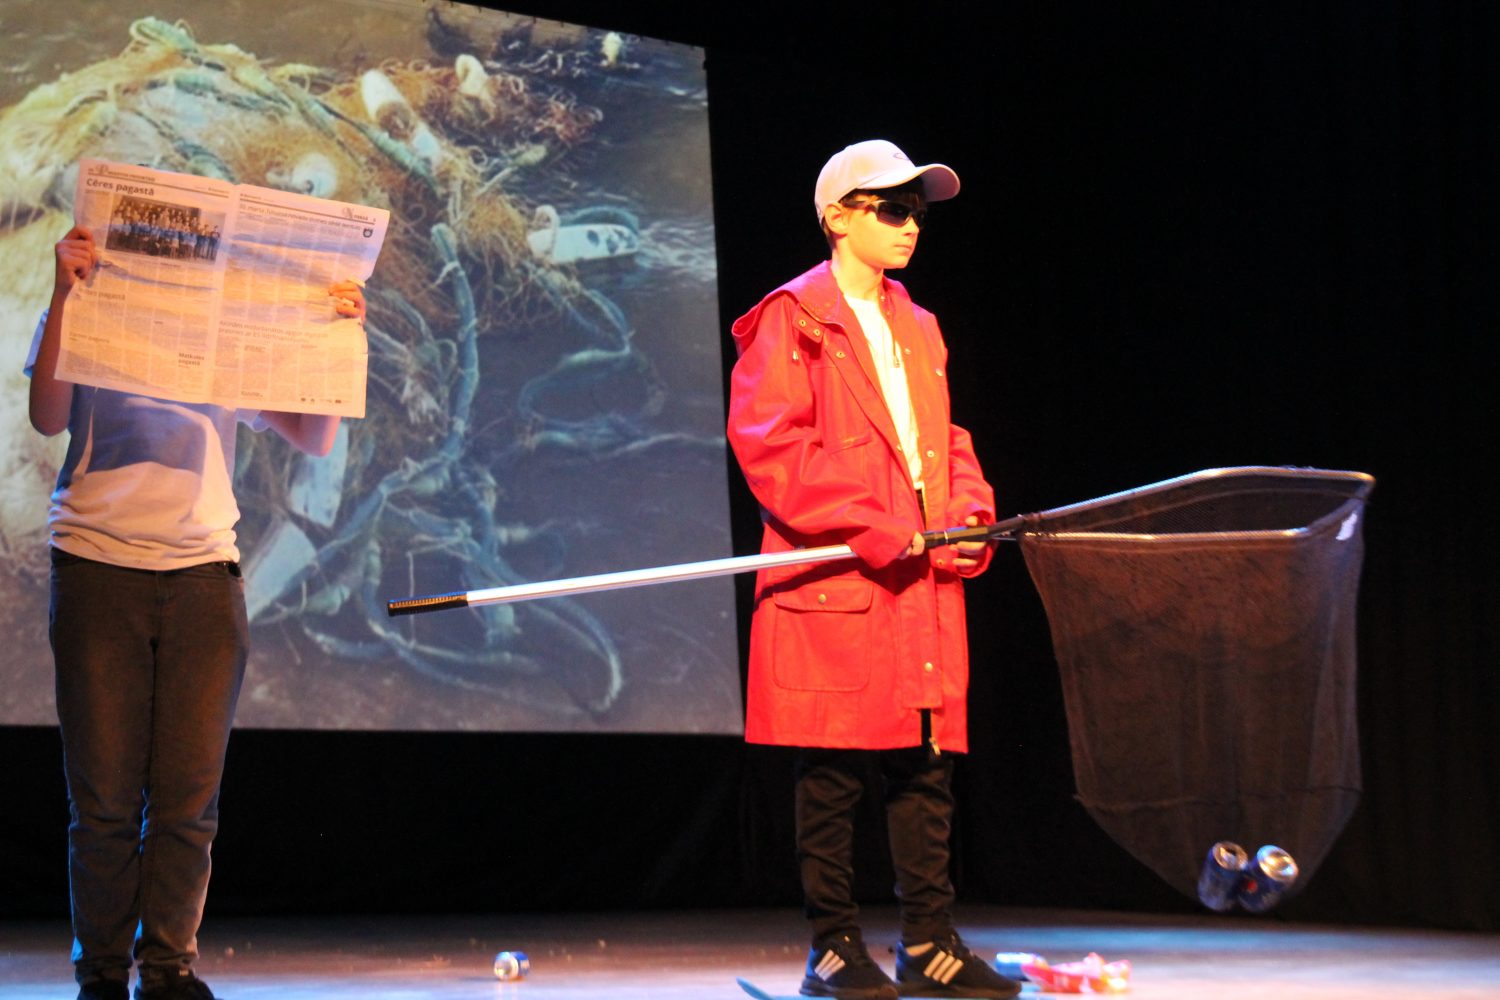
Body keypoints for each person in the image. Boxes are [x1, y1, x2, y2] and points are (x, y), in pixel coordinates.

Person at [27, 225, 365, 1000]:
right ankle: (102, 973)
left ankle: (169, 968)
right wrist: (64, 293)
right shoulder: (89, 303)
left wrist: (336, 338)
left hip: (203, 573)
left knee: (188, 799)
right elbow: (48, 416)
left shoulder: (224, 324)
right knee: (104, 800)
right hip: (97, 563)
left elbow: (313, 435)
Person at [726, 140, 1020, 1000]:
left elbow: (946, 441)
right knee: (830, 770)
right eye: (892, 208)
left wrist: (970, 516)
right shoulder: (792, 317)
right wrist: (883, 525)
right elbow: (773, 448)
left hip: (918, 584)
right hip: (838, 579)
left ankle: (929, 944)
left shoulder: (919, 326)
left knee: (924, 766)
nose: (910, 225)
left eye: (916, 211)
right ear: (838, 217)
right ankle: (832, 949)